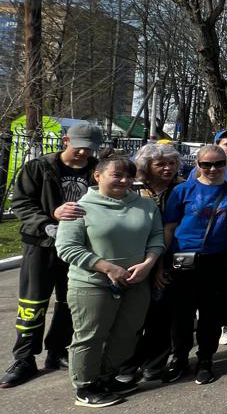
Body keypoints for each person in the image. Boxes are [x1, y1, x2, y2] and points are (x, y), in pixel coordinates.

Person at [51, 155, 163, 407]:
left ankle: (106, 376)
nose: (124, 181)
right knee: (90, 336)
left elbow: (156, 237)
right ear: (98, 176)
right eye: (117, 175)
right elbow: (67, 248)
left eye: (129, 176)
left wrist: (148, 264)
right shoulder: (78, 208)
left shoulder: (146, 206)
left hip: (136, 282)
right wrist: (108, 268)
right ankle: (85, 385)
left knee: (127, 333)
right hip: (93, 284)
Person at [1, 124, 102, 389]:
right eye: (79, 146)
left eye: (90, 148)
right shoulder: (39, 167)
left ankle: (58, 351)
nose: (84, 152)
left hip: (79, 247)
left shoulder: (97, 170)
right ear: (66, 140)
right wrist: (48, 220)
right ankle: (24, 359)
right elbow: (22, 202)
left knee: (71, 301)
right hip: (41, 245)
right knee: (32, 302)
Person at [162, 145, 227, 385]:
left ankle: (205, 359)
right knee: (181, 314)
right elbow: (169, 227)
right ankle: (179, 357)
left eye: (218, 164)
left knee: (211, 314)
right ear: (198, 165)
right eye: (206, 164)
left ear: (226, 164)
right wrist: (161, 262)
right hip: (183, 258)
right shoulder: (182, 190)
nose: (212, 169)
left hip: (217, 259)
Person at [117, 143, 184, 383]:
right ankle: (125, 365)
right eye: (160, 164)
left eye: (172, 163)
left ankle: (155, 364)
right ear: (147, 166)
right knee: (133, 317)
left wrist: (160, 265)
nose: (168, 168)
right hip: (134, 257)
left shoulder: (182, 187)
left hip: (170, 256)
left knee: (163, 315)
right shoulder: (132, 187)